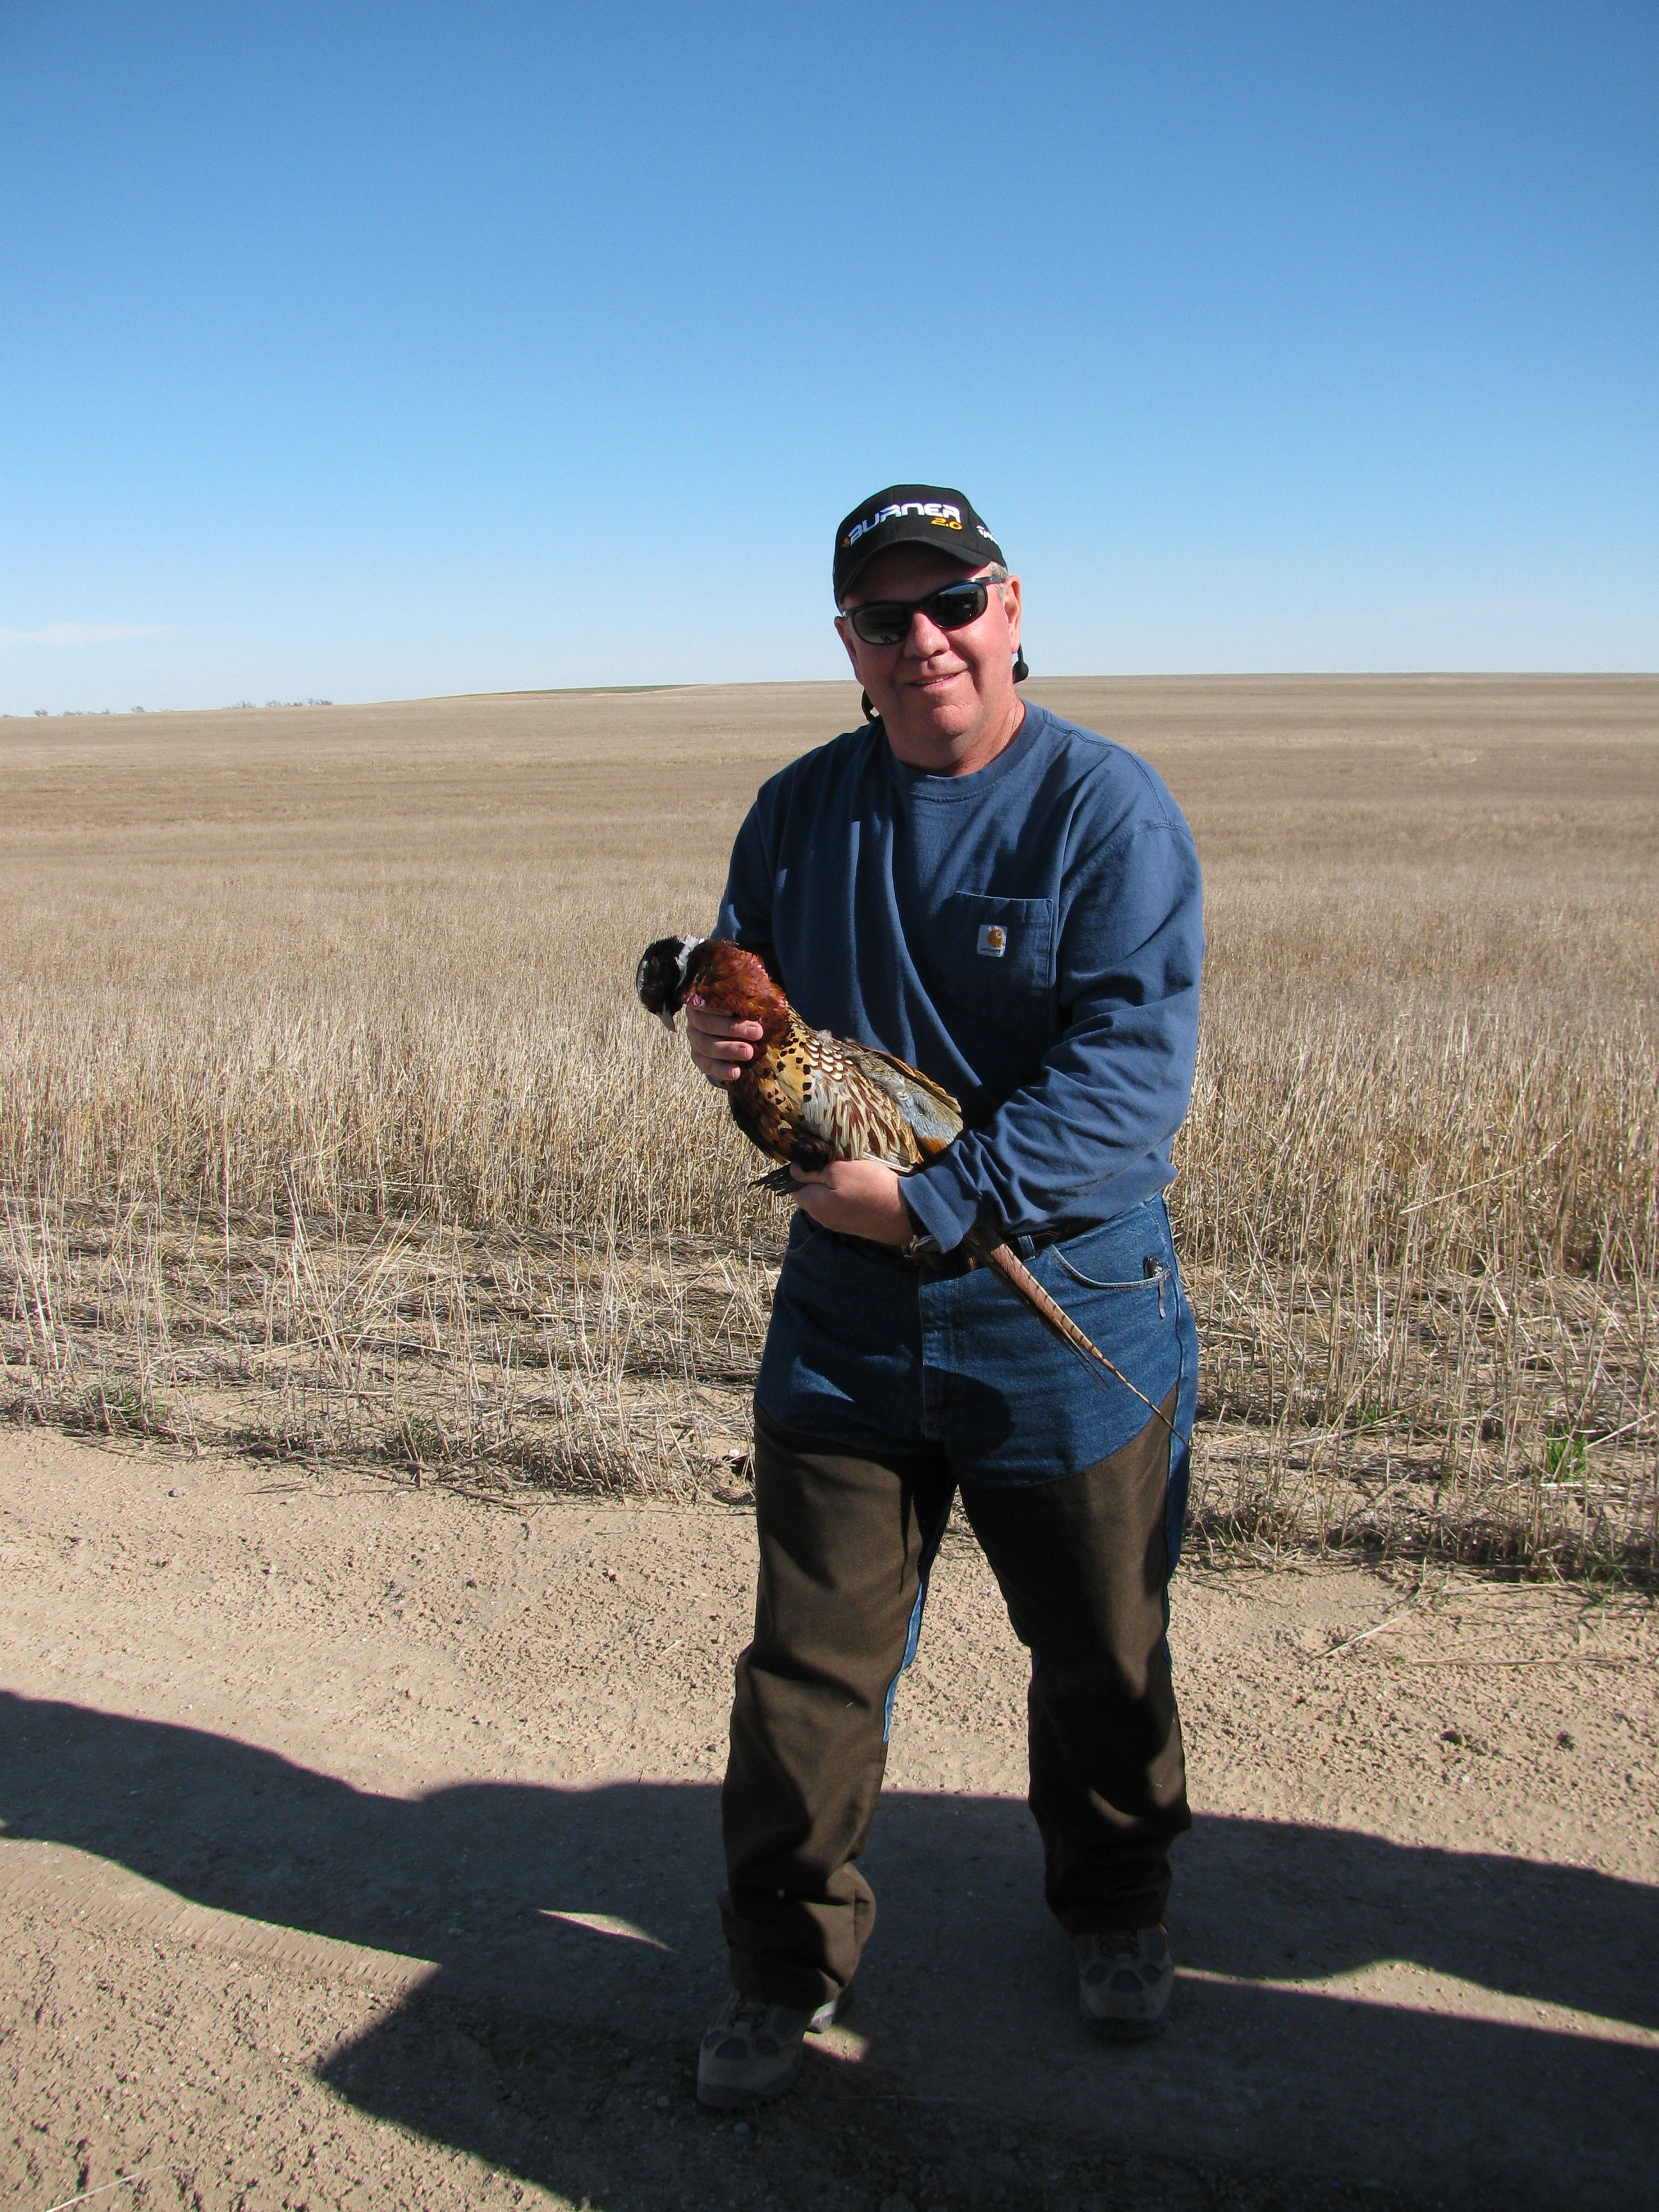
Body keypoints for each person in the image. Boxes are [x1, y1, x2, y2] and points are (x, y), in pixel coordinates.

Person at [684, 483, 1204, 2109]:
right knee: (810, 1668)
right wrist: (720, 1037)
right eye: (885, 617)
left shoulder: (1104, 813)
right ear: (847, 643)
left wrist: (931, 1204)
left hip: (1063, 1306)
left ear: (1012, 606)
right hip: (845, 1319)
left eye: (952, 603)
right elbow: (752, 994)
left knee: (1101, 1653)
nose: (925, 641)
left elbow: (1130, 1075)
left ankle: (1117, 1907)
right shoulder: (797, 811)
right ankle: (783, 1965)